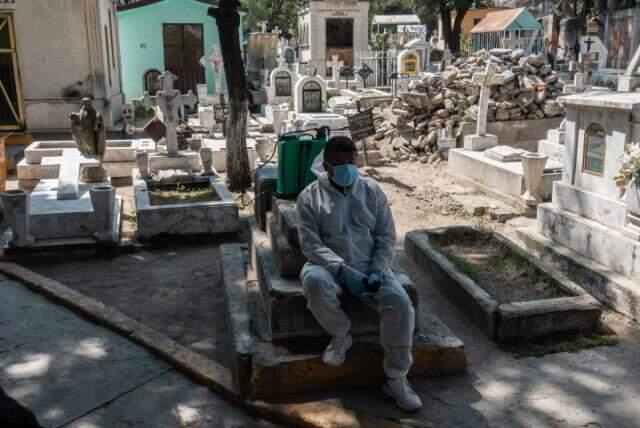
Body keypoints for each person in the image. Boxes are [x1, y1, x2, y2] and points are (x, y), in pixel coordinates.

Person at [296, 136, 423, 411]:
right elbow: (310, 244)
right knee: (315, 283)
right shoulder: (309, 196)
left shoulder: (372, 190)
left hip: (369, 264)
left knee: (401, 304)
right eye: (339, 163)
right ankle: (341, 334)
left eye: (350, 162)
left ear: (357, 161)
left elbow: (386, 236)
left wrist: (377, 270)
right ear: (326, 165)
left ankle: (395, 378)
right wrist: (341, 270)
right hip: (328, 265)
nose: (346, 168)